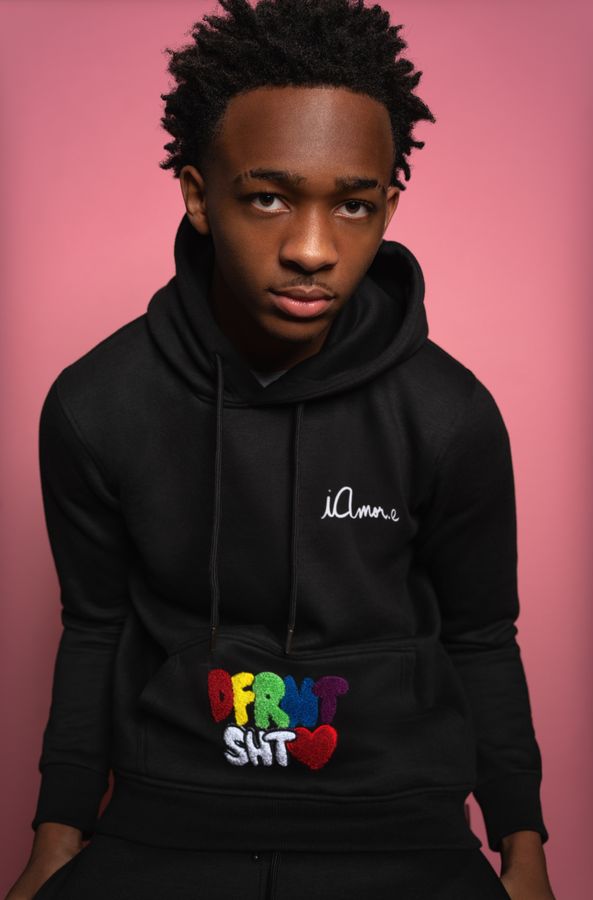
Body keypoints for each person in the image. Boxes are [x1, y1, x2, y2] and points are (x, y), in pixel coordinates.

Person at [7, 1, 556, 898]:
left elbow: (482, 635)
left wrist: (522, 850)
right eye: (268, 198)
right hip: (169, 821)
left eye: (353, 205)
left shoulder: (449, 414)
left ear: (388, 208)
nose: (311, 249)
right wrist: (56, 837)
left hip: (399, 827)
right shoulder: (95, 405)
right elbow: (95, 626)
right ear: (198, 195)